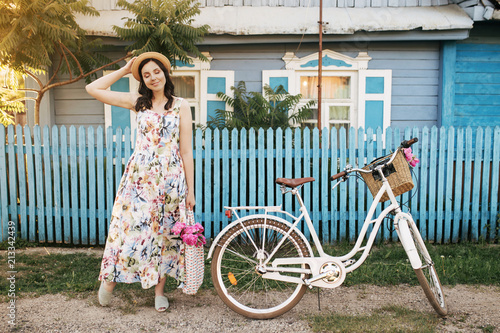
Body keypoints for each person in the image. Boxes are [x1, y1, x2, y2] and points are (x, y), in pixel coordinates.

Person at [86, 52, 195, 312]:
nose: (152, 77)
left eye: (156, 72)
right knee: (128, 230)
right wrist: (125, 69)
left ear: (165, 73)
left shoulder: (181, 105)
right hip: (139, 179)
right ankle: (109, 280)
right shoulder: (138, 102)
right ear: (142, 80)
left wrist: (190, 190)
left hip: (170, 180)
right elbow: (93, 88)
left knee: (166, 235)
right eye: (146, 75)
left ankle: (159, 291)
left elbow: (187, 151)